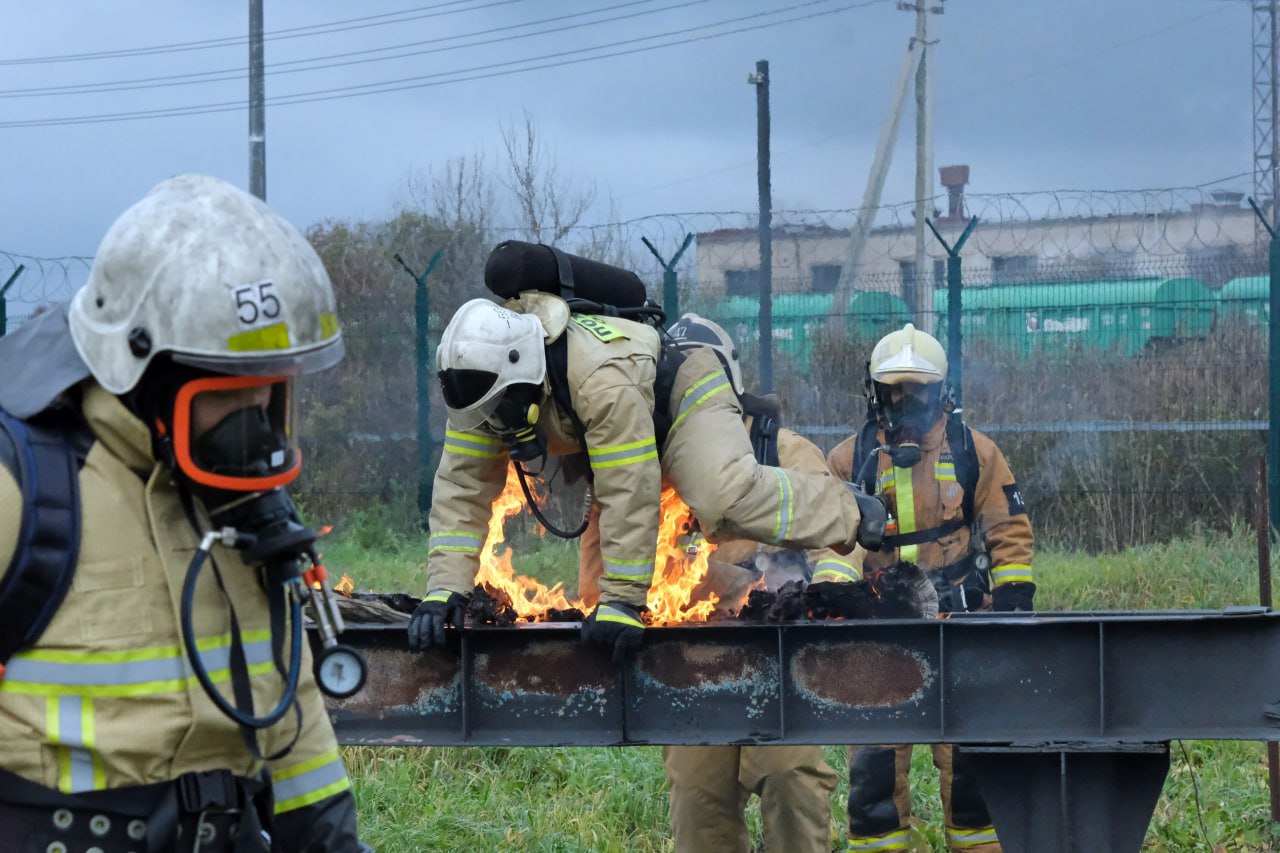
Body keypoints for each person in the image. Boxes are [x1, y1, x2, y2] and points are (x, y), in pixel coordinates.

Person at [0, 174, 369, 851]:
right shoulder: (22, 491)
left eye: (270, 396)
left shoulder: (245, 512)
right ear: (147, 371)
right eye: (229, 394)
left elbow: (295, 724)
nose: (256, 424)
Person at [408, 285, 887, 661]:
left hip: (680, 396)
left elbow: (630, 487)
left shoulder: (600, 379)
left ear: (525, 371)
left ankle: (848, 510)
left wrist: (622, 603)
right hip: (614, 423)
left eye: (503, 407)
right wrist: (444, 590)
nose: (496, 420)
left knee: (721, 497)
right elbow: (461, 491)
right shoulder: (480, 393)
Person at [575, 313, 858, 853]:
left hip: (782, 668)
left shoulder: (783, 452)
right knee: (699, 811)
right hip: (690, 669)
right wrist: (721, 583)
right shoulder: (638, 464)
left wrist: (825, 595)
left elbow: (839, 542)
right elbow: (596, 582)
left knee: (790, 786)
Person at [827, 323, 1035, 853]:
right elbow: (828, 545)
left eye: (916, 387)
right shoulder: (847, 461)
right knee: (874, 775)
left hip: (960, 627)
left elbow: (1007, 528)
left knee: (971, 769)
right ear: (875, 390)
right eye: (894, 388)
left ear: (940, 389)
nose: (905, 399)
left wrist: (1011, 601)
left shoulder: (975, 451)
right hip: (881, 634)